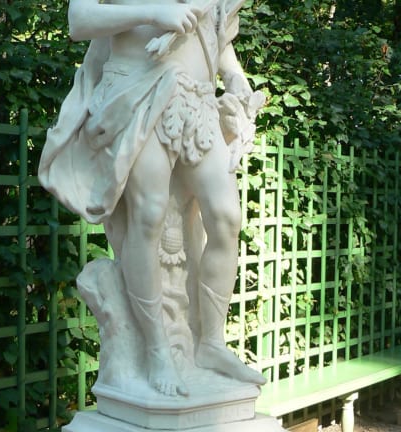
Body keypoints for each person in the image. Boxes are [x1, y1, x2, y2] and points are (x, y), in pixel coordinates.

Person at [38, 0, 266, 397]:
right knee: (148, 216)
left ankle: (211, 343)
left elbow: (212, 29)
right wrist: (152, 13)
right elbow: (80, 18)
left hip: (197, 100)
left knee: (227, 217)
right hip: (137, 90)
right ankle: (158, 351)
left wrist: (234, 76)